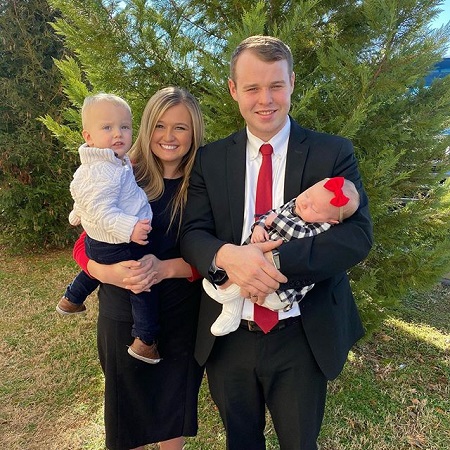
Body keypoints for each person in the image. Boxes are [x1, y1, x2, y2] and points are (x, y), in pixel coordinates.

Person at [180, 35, 373, 450]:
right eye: (251, 87)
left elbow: (357, 238)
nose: (265, 99)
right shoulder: (210, 160)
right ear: (234, 90)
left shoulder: (332, 153)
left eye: (276, 85)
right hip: (228, 337)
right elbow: (192, 234)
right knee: (241, 442)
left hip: (302, 334)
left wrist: (272, 262)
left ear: (292, 84)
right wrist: (229, 256)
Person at [72, 87, 205, 450]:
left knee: (170, 411)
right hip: (123, 314)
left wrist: (166, 269)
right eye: (160, 125)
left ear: (194, 133)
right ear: (146, 128)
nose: (168, 136)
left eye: (181, 127)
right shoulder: (121, 173)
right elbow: (86, 240)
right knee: (126, 415)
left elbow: (214, 254)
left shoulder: (204, 184)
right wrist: (103, 273)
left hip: (181, 315)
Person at [56, 93, 161, 364]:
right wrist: (130, 228)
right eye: (107, 128)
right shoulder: (106, 169)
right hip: (118, 240)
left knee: (95, 271)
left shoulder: (106, 163)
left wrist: (77, 213)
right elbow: (101, 208)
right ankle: (145, 340)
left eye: (124, 127)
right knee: (140, 285)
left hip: (102, 241)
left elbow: (81, 192)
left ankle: (71, 298)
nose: (118, 134)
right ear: (88, 136)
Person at [202, 176, 360, 336]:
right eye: (307, 195)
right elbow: (269, 214)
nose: (305, 203)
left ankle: (227, 293)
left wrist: (275, 221)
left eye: (314, 208)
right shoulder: (295, 205)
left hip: (279, 290)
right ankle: (231, 314)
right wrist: (259, 227)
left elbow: (300, 235)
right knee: (245, 262)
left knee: (254, 281)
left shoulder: (320, 227)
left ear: (331, 221)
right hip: (254, 259)